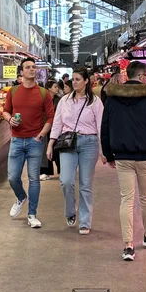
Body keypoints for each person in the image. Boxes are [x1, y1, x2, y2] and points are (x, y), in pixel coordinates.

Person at [101, 60, 146, 261]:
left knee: (126, 199)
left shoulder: (113, 99)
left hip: (122, 156)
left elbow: (105, 129)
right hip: (145, 156)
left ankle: (128, 246)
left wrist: (108, 155)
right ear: (142, 77)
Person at [47, 69, 105, 234]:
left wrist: (103, 150)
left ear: (86, 81)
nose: (74, 82)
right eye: (73, 79)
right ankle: (70, 211)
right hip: (68, 143)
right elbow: (57, 123)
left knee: (86, 184)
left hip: (89, 143)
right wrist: (51, 144)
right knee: (66, 180)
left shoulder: (95, 102)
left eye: (78, 79)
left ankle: (85, 222)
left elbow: (101, 126)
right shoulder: (64, 101)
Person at [2, 58, 55, 228]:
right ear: (21, 72)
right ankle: (21, 197)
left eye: (33, 67)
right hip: (16, 140)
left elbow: (51, 117)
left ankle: (32, 214)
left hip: (34, 141)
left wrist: (41, 134)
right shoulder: (13, 91)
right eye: (28, 67)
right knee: (13, 177)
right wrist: (10, 120)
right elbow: (5, 111)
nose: (31, 69)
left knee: (34, 179)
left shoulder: (44, 93)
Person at [40, 80, 63, 180]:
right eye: (55, 87)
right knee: (45, 150)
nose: (57, 89)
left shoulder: (60, 100)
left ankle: (62, 171)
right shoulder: (42, 99)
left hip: (58, 128)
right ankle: (46, 172)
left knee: (59, 149)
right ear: (49, 88)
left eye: (57, 87)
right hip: (45, 127)